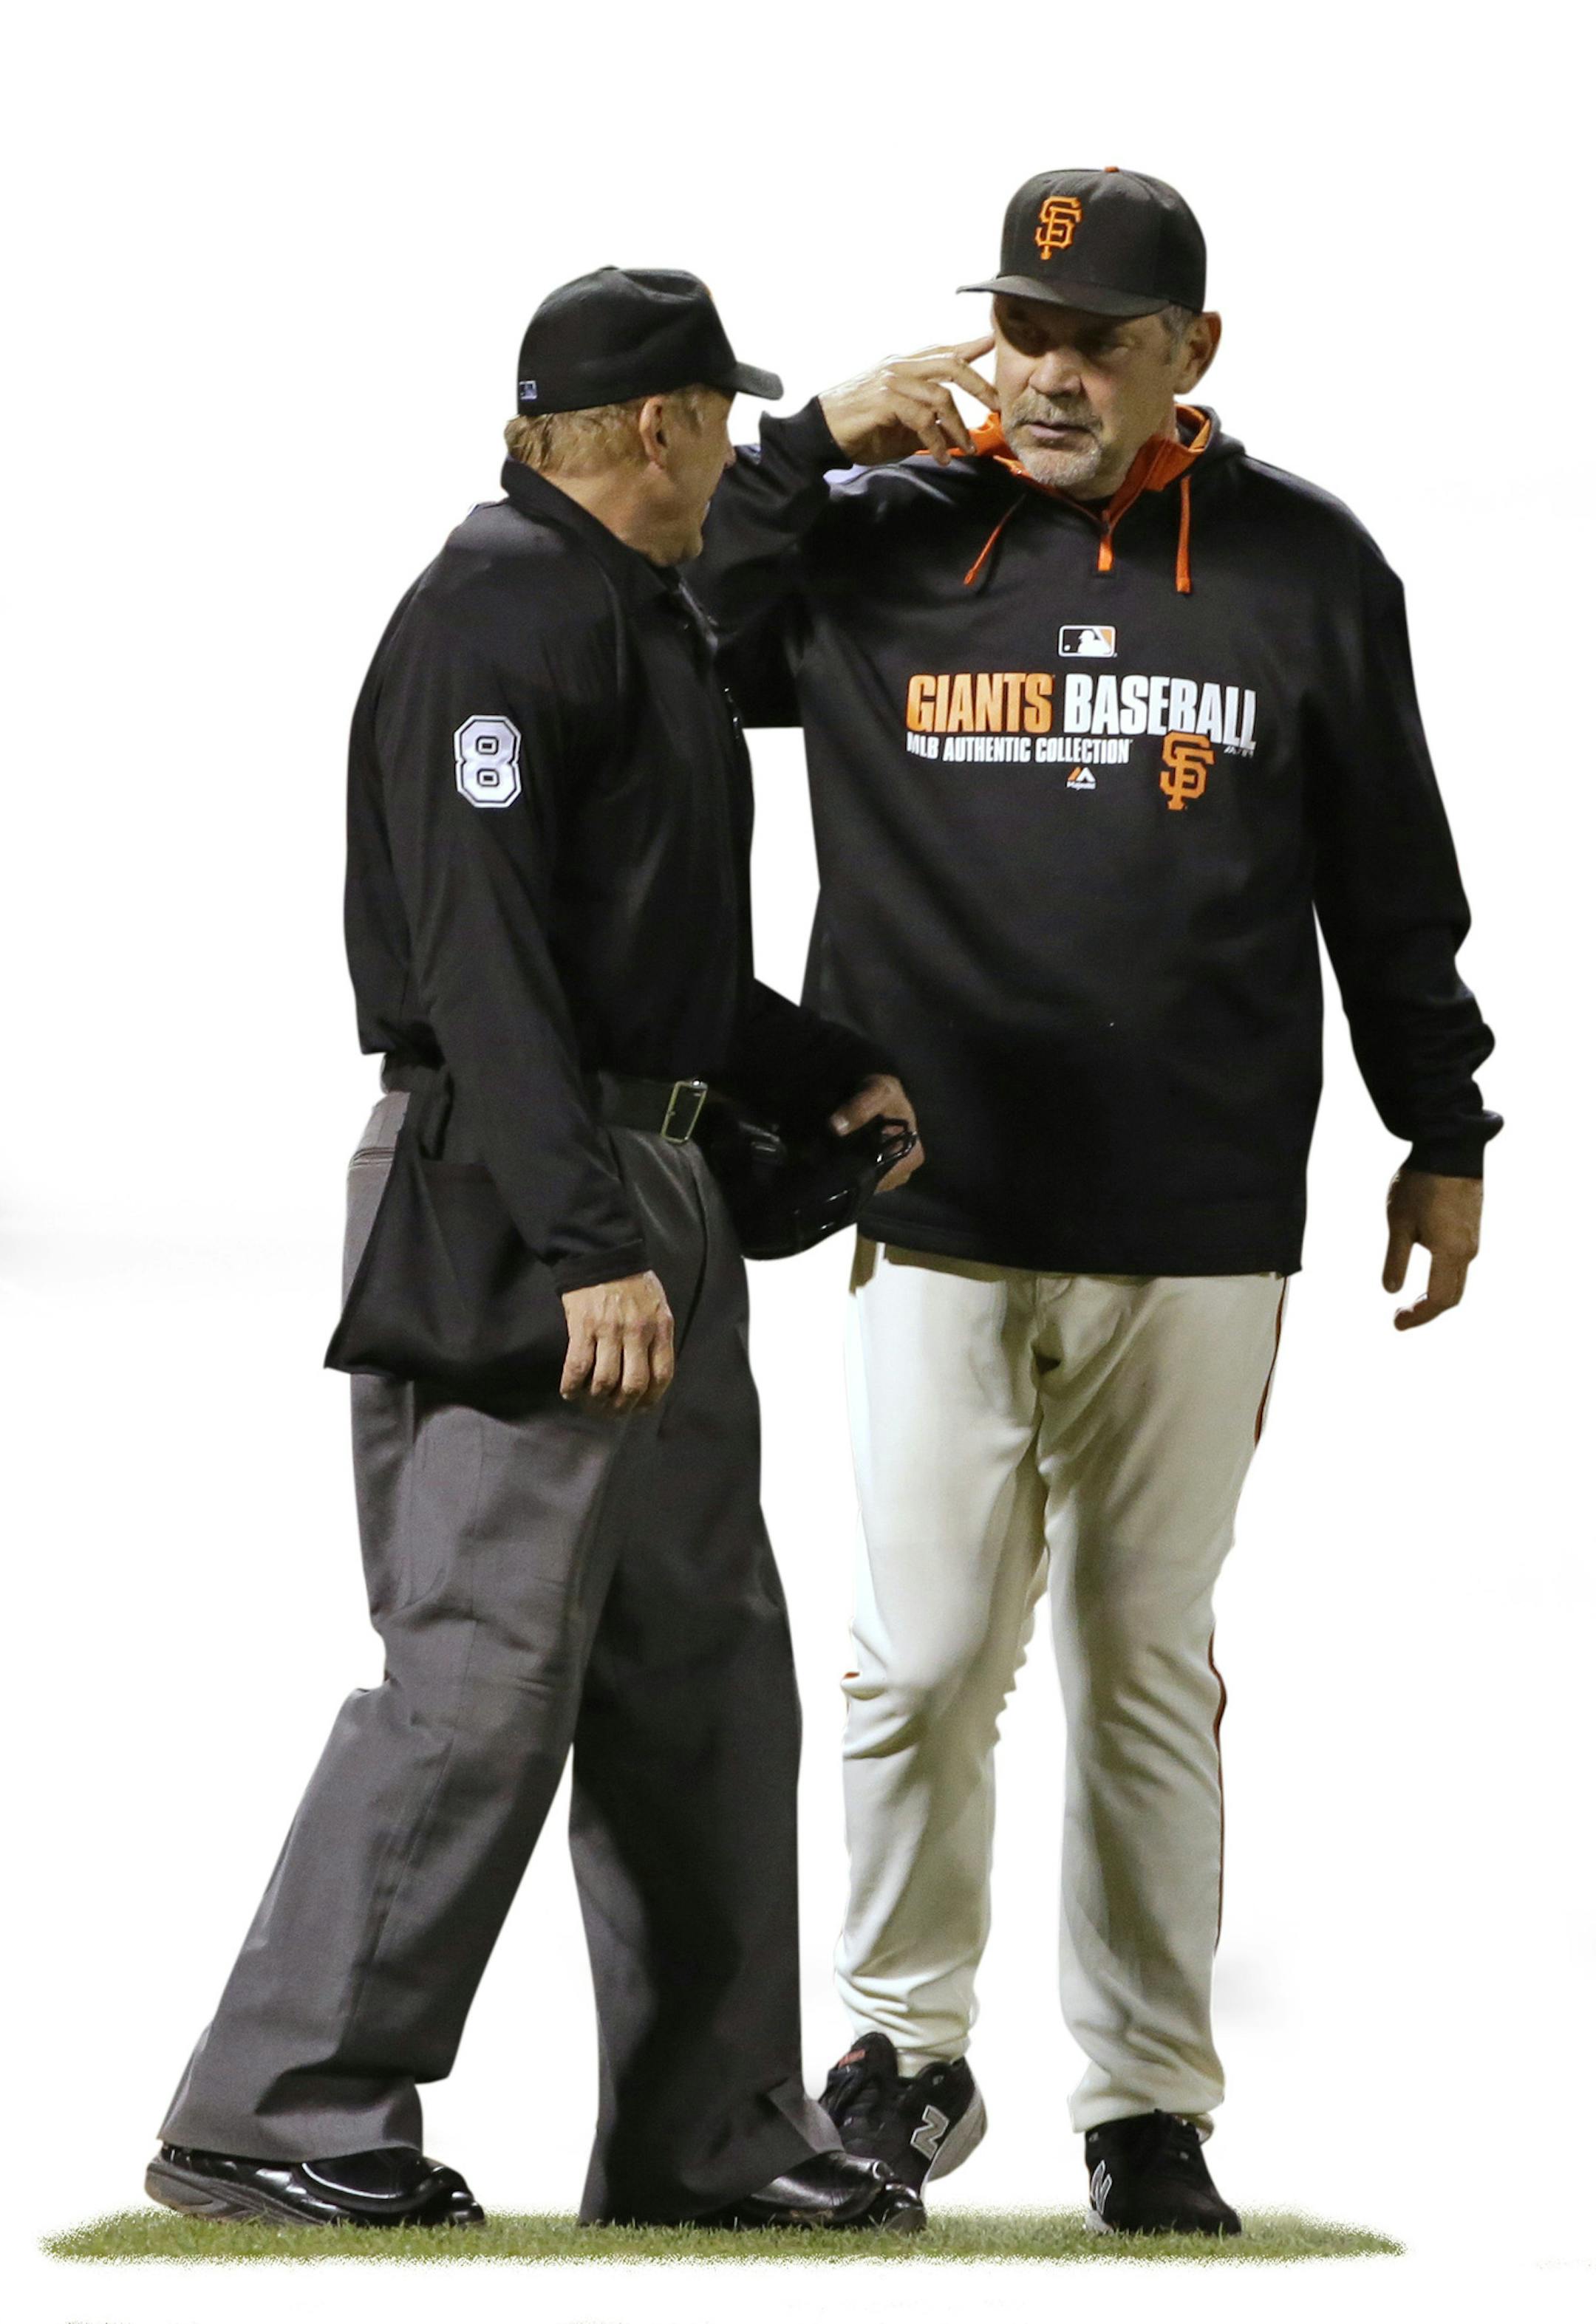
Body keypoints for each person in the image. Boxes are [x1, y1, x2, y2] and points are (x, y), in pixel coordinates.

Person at [693, 168, 1498, 2236]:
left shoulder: (1304, 564)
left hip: (1201, 1206)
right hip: (930, 1190)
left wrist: (1446, 1123)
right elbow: (658, 629)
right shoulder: (876, 545)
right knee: (921, 1652)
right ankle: (900, 2054)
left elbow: (1389, 873)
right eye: (1023, 328)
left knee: (1145, 1650)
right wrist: (808, 445)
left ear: (1190, 355)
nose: (1050, 372)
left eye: (1101, 339)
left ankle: (1148, 2101)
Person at [149, 267, 924, 2235]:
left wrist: (822, 1070)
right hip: (517, 1190)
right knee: (485, 1674)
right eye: (720, 424)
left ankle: (710, 2135)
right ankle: (275, 2108)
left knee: (705, 1680)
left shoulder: (629, 618)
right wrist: (585, 1232)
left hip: (637, 1195)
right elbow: (484, 971)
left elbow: (636, 960)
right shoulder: (494, 620)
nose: (727, 453)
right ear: (661, 426)